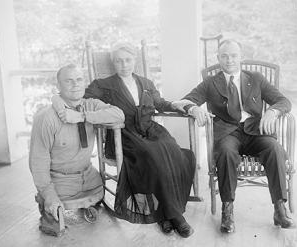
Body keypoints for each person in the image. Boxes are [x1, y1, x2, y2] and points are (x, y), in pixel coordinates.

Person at [51, 43, 196, 238]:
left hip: (150, 130)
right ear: (113, 63)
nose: (124, 64)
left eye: (128, 60)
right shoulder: (103, 84)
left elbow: (160, 103)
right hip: (124, 133)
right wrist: (57, 101)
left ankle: (162, 214)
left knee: (176, 153)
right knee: (154, 156)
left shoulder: (146, 83)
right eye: (118, 61)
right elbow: (78, 98)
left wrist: (180, 105)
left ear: (134, 61)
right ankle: (175, 216)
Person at [175, 39, 295, 233]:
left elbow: (283, 101)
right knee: (225, 152)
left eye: (233, 55)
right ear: (218, 58)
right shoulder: (211, 83)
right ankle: (228, 210)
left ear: (241, 57)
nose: (229, 60)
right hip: (228, 133)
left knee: (275, 149)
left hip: (256, 132)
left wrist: (272, 112)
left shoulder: (255, 78)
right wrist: (194, 108)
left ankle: (280, 209)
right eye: (224, 56)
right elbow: (183, 101)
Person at [29, 64, 124, 235]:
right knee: (55, 220)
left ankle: (86, 202)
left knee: (97, 198)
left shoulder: (91, 105)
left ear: (84, 83)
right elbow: (38, 161)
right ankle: (47, 204)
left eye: (79, 79)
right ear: (58, 86)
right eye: (68, 81)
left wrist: (82, 116)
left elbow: (119, 114)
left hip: (89, 178)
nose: (75, 84)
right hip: (60, 181)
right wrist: (49, 196)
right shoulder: (45, 117)